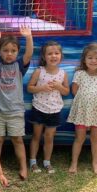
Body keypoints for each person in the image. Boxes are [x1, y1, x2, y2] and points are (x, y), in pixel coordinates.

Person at [0, 25, 34, 180]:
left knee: (17, 139)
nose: (9, 54)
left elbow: (28, 54)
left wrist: (28, 37)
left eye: (13, 51)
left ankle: (23, 168)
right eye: (5, 50)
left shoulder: (19, 66)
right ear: (0, 52)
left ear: (17, 53)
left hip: (15, 111)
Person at [67, 42, 97, 176]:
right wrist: (86, 102)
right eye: (90, 57)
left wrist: (95, 102)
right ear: (84, 59)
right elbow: (75, 90)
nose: (94, 61)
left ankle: (95, 163)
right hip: (82, 111)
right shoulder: (80, 74)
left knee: (96, 138)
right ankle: (74, 163)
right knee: (79, 138)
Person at [26, 41, 69, 174]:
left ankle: (47, 162)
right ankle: (33, 161)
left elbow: (66, 92)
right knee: (36, 136)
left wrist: (59, 87)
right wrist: (42, 87)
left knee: (49, 137)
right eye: (50, 53)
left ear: (61, 56)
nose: (53, 56)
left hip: (55, 110)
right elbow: (29, 88)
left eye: (56, 53)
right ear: (44, 56)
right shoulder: (39, 71)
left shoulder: (63, 73)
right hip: (39, 108)